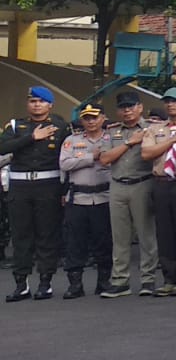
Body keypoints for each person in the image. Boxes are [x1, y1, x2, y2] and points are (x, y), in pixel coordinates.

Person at [0, 85, 71, 301]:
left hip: (48, 185)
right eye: (32, 101)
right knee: (21, 237)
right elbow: (3, 148)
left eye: (41, 101)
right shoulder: (15, 125)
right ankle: (21, 284)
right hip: (20, 186)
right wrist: (32, 137)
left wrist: (64, 191)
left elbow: (66, 160)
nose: (36, 105)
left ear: (50, 105)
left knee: (46, 235)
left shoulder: (60, 126)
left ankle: (45, 283)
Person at [99, 92, 159, 298]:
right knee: (120, 236)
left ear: (140, 107)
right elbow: (105, 158)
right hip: (117, 185)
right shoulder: (112, 131)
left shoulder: (151, 129)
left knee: (146, 234)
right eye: (123, 107)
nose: (127, 110)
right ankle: (120, 280)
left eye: (131, 106)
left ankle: (148, 279)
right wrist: (130, 143)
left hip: (142, 183)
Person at [143, 87, 176, 295]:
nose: (170, 104)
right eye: (167, 101)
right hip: (161, 181)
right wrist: (173, 140)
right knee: (164, 232)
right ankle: (168, 279)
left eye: (175, 101)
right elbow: (147, 153)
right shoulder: (156, 129)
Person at [59, 104, 113, 299]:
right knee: (75, 243)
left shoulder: (111, 138)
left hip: (104, 197)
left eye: (94, 117)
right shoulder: (71, 140)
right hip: (78, 198)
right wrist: (92, 157)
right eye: (86, 118)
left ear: (103, 118)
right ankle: (75, 284)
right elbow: (64, 164)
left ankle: (104, 281)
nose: (90, 121)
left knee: (104, 240)